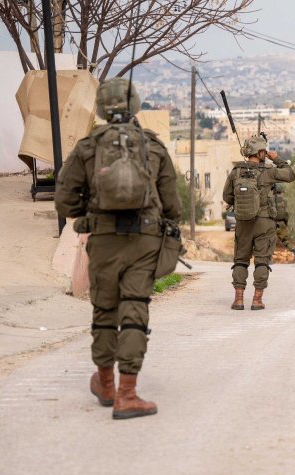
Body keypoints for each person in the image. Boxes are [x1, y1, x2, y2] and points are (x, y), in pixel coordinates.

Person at [55, 78, 182, 420]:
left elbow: (64, 199)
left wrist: (88, 217)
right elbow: (173, 206)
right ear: (135, 105)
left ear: (100, 107)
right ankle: (128, 393)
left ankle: (106, 384)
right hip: (144, 242)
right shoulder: (151, 146)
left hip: (105, 241)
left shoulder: (88, 147)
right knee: (134, 311)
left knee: (104, 312)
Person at [223, 135, 295, 310]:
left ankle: (238, 300)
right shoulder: (269, 171)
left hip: (243, 221)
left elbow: (227, 197)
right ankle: (257, 300)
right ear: (261, 152)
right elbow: (291, 174)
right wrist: (276, 158)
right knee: (262, 261)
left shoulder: (236, 171)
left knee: (240, 260)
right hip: (264, 222)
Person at [273, 183, 295, 264]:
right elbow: (286, 214)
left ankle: (268, 258)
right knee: (286, 241)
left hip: (272, 224)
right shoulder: (284, 201)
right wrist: (286, 224)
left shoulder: (270, 200)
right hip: (282, 224)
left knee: (268, 241)